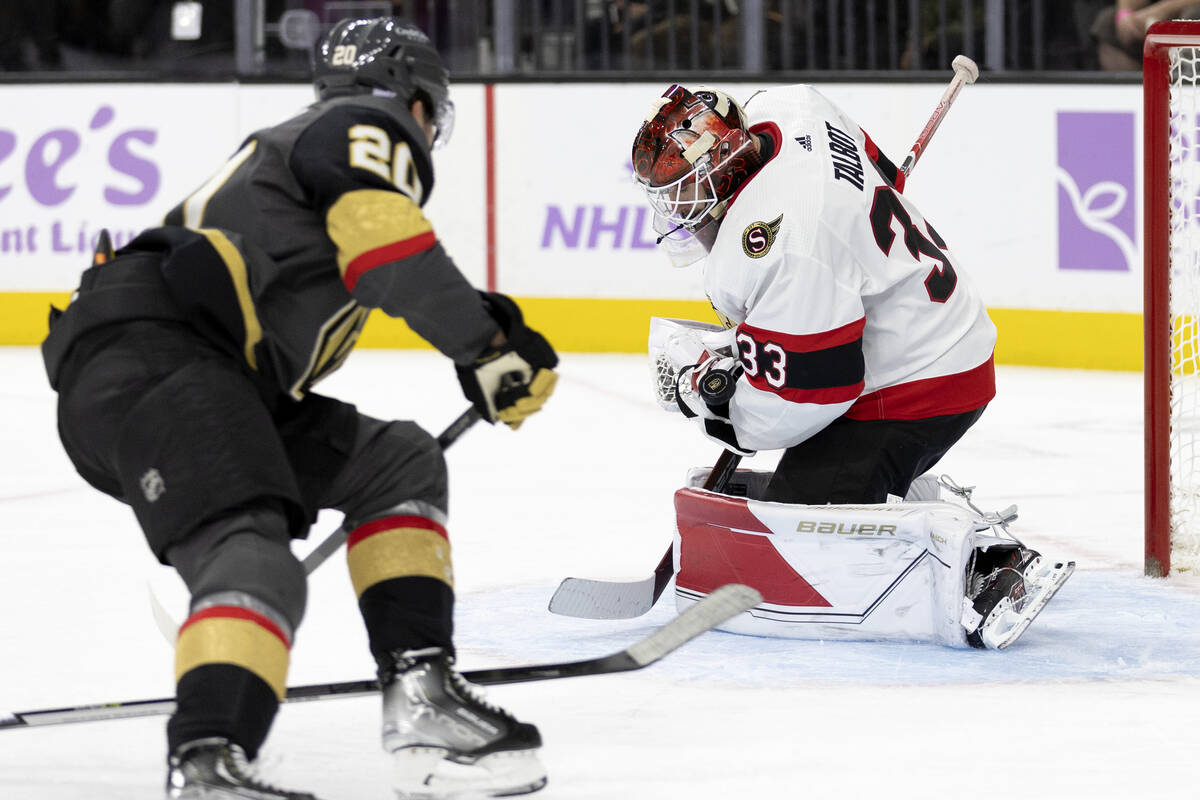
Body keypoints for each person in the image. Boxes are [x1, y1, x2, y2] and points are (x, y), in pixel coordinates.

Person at [41, 17, 555, 800]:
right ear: (415, 101)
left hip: (175, 367)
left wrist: (482, 324)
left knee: (397, 463)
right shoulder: (367, 125)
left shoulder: (302, 146)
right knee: (254, 560)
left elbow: (357, 260)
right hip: (163, 361)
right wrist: (487, 345)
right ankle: (208, 763)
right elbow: (385, 250)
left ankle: (421, 702)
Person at [631, 84, 1064, 649]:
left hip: (918, 380)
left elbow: (812, 395)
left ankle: (988, 566)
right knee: (803, 505)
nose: (678, 210)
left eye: (685, 191)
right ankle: (905, 498)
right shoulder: (787, 108)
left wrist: (717, 407)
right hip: (927, 337)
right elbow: (876, 165)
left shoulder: (777, 243)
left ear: (725, 164)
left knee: (804, 540)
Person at [1091, 0, 1200, 70]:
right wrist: (1125, 15)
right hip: (1154, 16)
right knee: (1108, 23)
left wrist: (1158, 12)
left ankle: (1184, 86)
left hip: (1189, 12)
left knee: (1192, 16)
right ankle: (1132, 93)